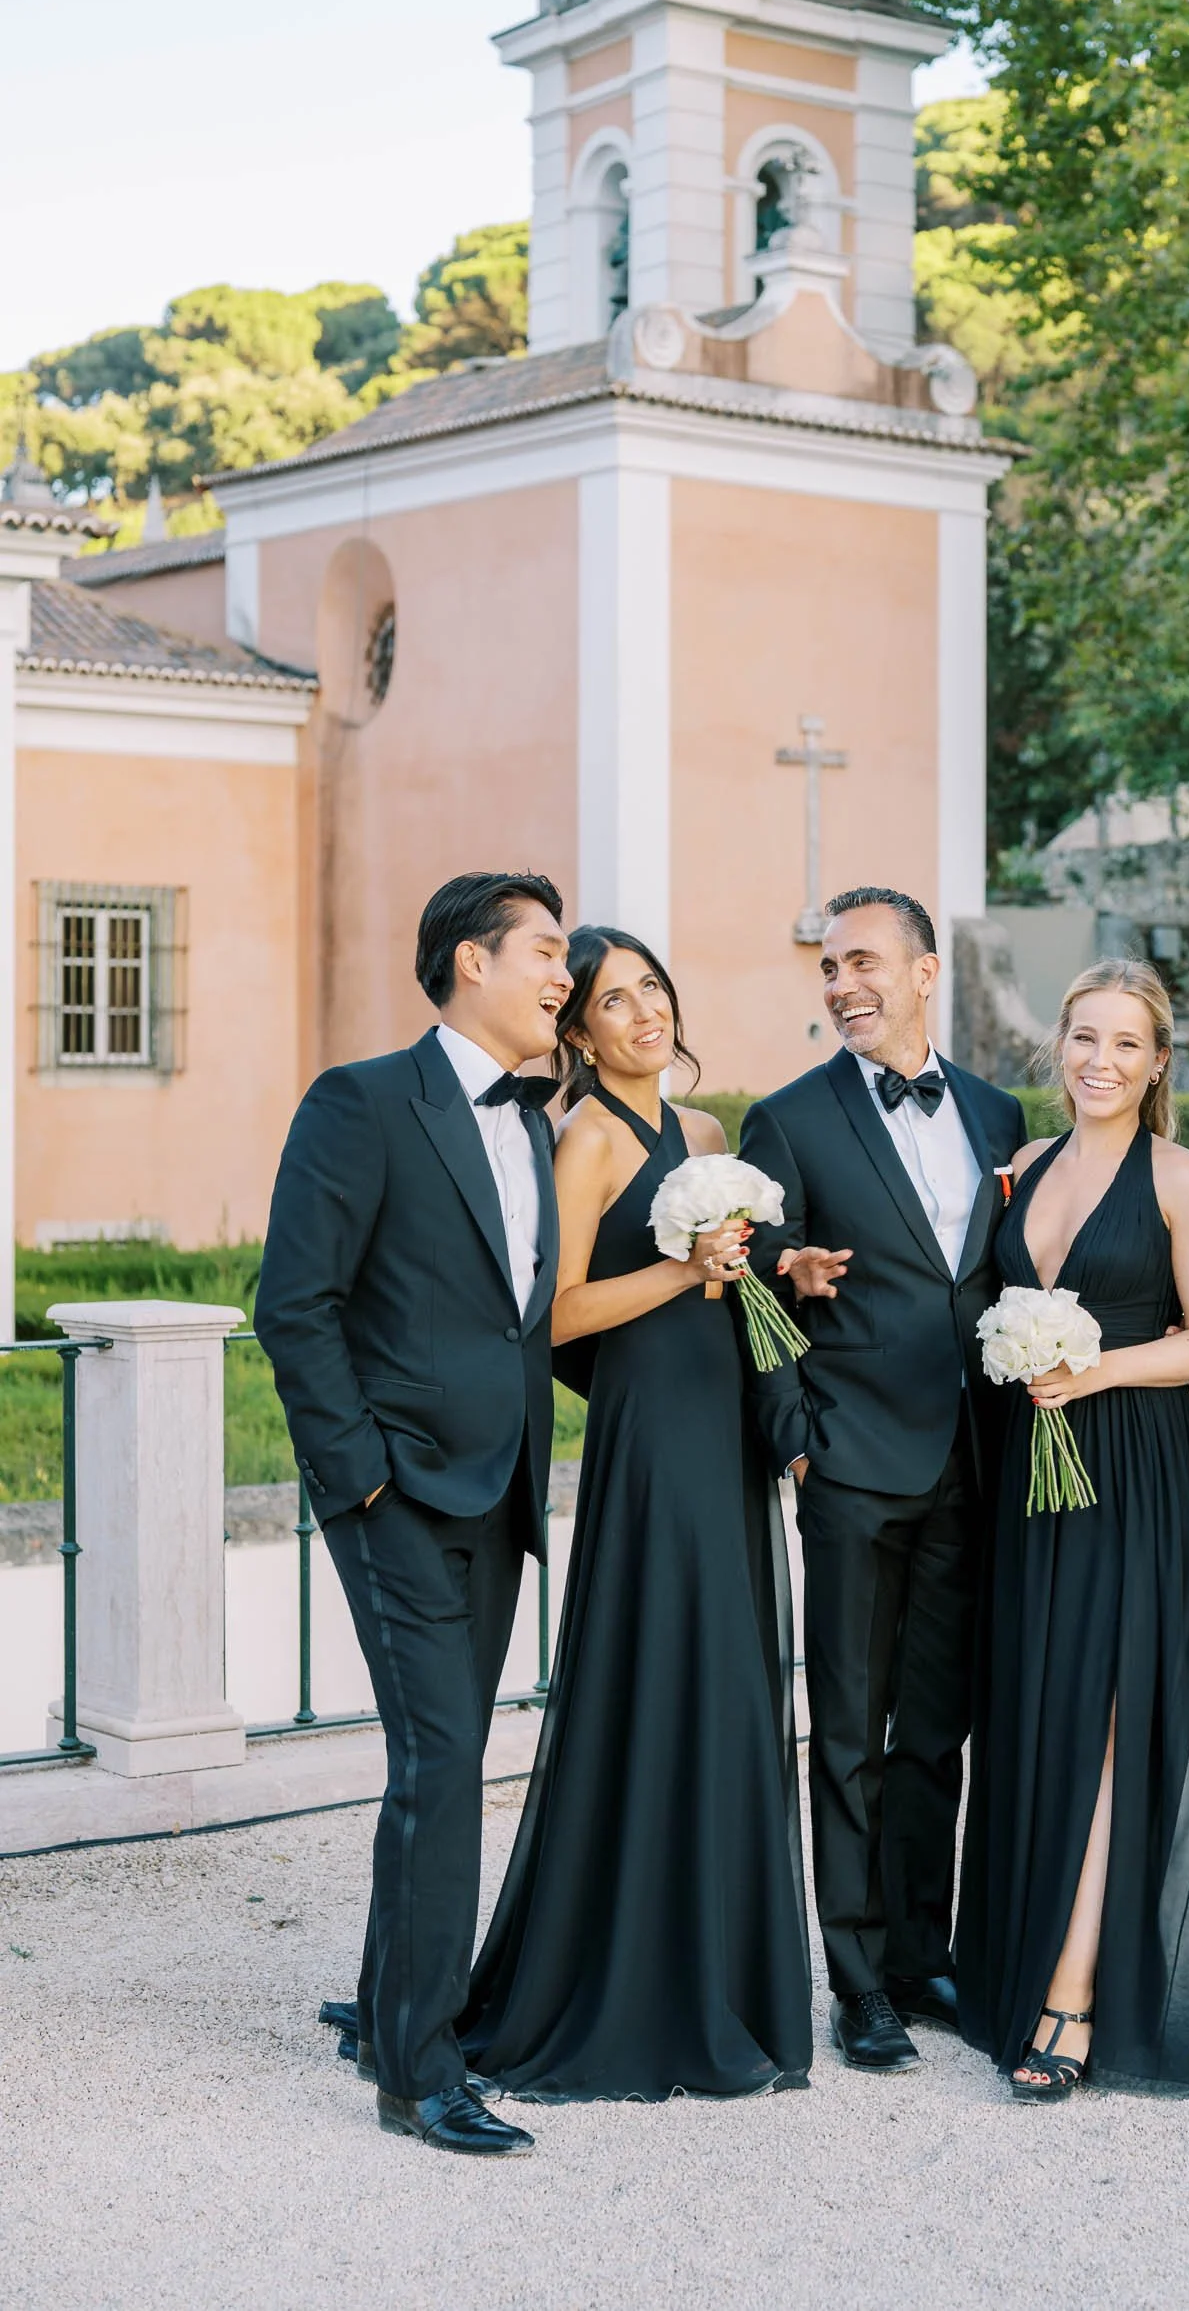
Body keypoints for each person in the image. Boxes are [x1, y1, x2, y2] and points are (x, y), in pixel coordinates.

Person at [460, 927, 812, 2103]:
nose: (643, 1012)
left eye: (651, 988)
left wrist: (781, 1272)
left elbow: (735, 1284)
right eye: (613, 1002)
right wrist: (681, 1270)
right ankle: (635, 1982)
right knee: (665, 1673)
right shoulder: (589, 1137)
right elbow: (553, 1314)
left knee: (729, 1686)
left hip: (724, 1428)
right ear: (578, 1032)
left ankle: (721, 1969)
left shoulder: (706, 1133)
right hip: (653, 1436)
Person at [256, 872, 572, 2157]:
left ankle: (384, 2007)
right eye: (544, 950)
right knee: (444, 1763)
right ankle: (418, 2069)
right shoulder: (362, 1100)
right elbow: (296, 1303)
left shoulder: (535, 1126)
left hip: (498, 1491)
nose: (564, 974)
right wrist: (362, 1477)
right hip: (398, 1492)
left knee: (437, 1762)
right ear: (470, 961)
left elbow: (515, 1317)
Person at [740, 887, 1027, 2073]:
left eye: (860, 961)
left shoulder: (999, 1112)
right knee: (850, 1731)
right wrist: (794, 1437)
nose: (839, 983)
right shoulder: (785, 1119)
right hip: (853, 1462)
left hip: (976, 1456)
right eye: (826, 966)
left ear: (921, 972)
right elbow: (752, 1286)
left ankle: (921, 1953)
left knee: (937, 1729)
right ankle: (855, 1981)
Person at [957, 961, 1189, 2100]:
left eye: (1126, 1044)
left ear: (1158, 1062)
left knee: (1116, 1715)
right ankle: (1014, 1961)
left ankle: (1071, 1997)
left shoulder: (1179, 1178)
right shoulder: (1022, 1169)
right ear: (1057, 1046)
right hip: (1032, 1477)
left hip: (1133, 1469)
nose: (1100, 1061)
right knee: (1039, 1704)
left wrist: (1097, 1368)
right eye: (1083, 1037)